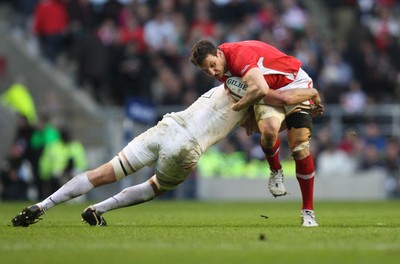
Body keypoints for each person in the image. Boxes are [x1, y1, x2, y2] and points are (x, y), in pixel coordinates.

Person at [11, 82, 322, 227]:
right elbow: (278, 103)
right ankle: (99, 210)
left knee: (106, 170)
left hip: (168, 124)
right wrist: (310, 93)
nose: (250, 131)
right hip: (186, 146)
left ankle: (43, 204)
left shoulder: (228, 79)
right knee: (155, 187)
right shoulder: (257, 94)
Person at [189, 39, 321, 226]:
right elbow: (252, 89)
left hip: (294, 84)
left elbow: (260, 89)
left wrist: (241, 106)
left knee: (299, 148)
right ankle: (276, 170)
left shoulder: (238, 56)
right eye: (206, 70)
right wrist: (249, 111)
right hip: (271, 92)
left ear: (219, 53)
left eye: (212, 65)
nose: (212, 72)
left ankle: (308, 211)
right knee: (267, 132)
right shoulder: (220, 66)